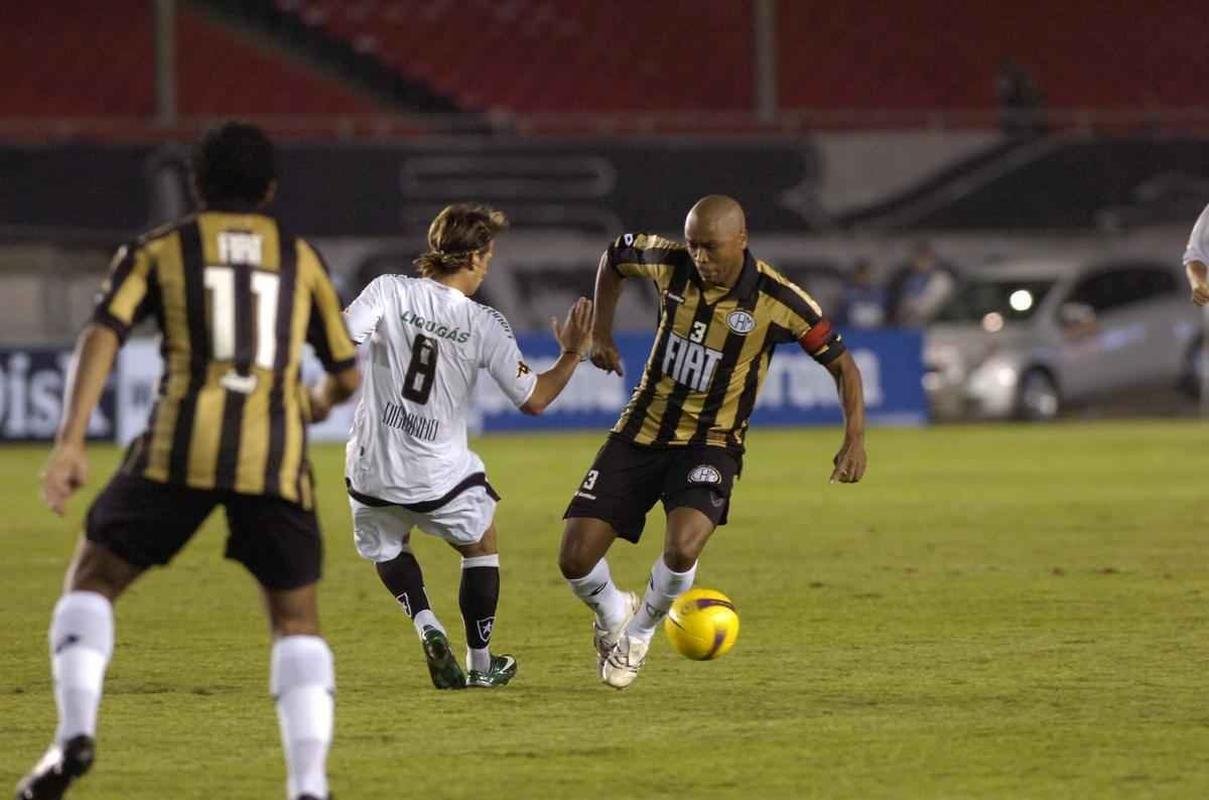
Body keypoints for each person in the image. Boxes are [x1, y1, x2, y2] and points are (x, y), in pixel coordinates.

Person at [15, 122, 359, 800]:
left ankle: (73, 735)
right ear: (269, 189)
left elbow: (103, 333)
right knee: (295, 623)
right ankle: (308, 786)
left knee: (92, 580)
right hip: (275, 458)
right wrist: (313, 404)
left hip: (177, 451)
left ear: (197, 186)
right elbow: (347, 375)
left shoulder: (160, 250)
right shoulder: (301, 257)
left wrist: (70, 441)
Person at [558, 195, 867, 689]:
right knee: (574, 560)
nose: (700, 257)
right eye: (694, 245)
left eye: (712, 248)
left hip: (712, 442)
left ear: (741, 241)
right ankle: (613, 609)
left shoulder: (778, 299)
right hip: (640, 429)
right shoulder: (669, 263)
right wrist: (602, 331)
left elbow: (843, 365)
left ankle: (638, 635)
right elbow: (616, 255)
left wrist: (854, 437)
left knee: (682, 547)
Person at [343, 203, 593, 690]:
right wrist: (571, 354)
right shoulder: (485, 324)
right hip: (435, 476)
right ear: (476, 258)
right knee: (481, 544)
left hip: (371, 467)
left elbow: (342, 334)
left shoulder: (389, 289)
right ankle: (480, 664)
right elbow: (535, 399)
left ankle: (427, 625)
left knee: (387, 543)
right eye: (489, 258)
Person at [883, 241, 959, 327]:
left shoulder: (942, 279)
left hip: (936, 325)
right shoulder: (902, 278)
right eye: (918, 258)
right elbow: (894, 303)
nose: (921, 263)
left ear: (932, 259)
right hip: (905, 323)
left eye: (926, 258)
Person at [836, 257, 887, 329]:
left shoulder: (879, 294)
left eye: (866, 275)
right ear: (855, 276)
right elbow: (841, 318)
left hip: (876, 332)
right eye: (861, 276)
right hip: (853, 332)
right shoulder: (848, 295)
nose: (863, 278)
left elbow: (885, 316)